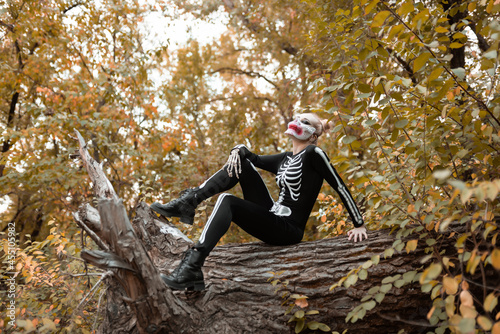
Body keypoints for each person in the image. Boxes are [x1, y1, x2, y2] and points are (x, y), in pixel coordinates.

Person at [150, 113, 368, 291]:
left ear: (313, 135)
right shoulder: (285, 158)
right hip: (273, 215)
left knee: (228, 201)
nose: (299, 122)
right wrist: (238, 148)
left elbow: (339, 185)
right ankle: (188, 202)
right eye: (298, 118)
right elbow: (252, 158)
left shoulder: (314, 153)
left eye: (306, 122)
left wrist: (359, 224)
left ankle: (192, 265)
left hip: (288, 229)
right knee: (240, 162)